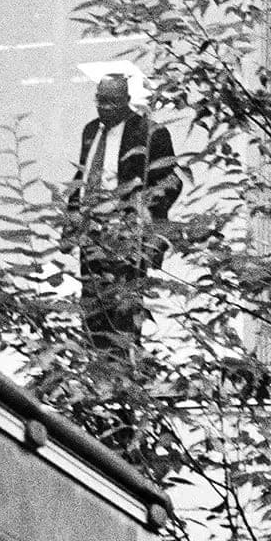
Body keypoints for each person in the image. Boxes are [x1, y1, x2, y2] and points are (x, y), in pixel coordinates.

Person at [68, 74, 181, 346]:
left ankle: (124, 370)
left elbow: (171, 182)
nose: (104, 108)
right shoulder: (91, 130)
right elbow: (83, 174)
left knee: (124, 309)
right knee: (93, 305)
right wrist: (71, 213)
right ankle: (95, 366)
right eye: (100, 101)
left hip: (127, 233)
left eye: (112, 102)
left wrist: (144, 209)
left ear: (127, 101)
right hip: (91, 230)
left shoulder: (149, 132)